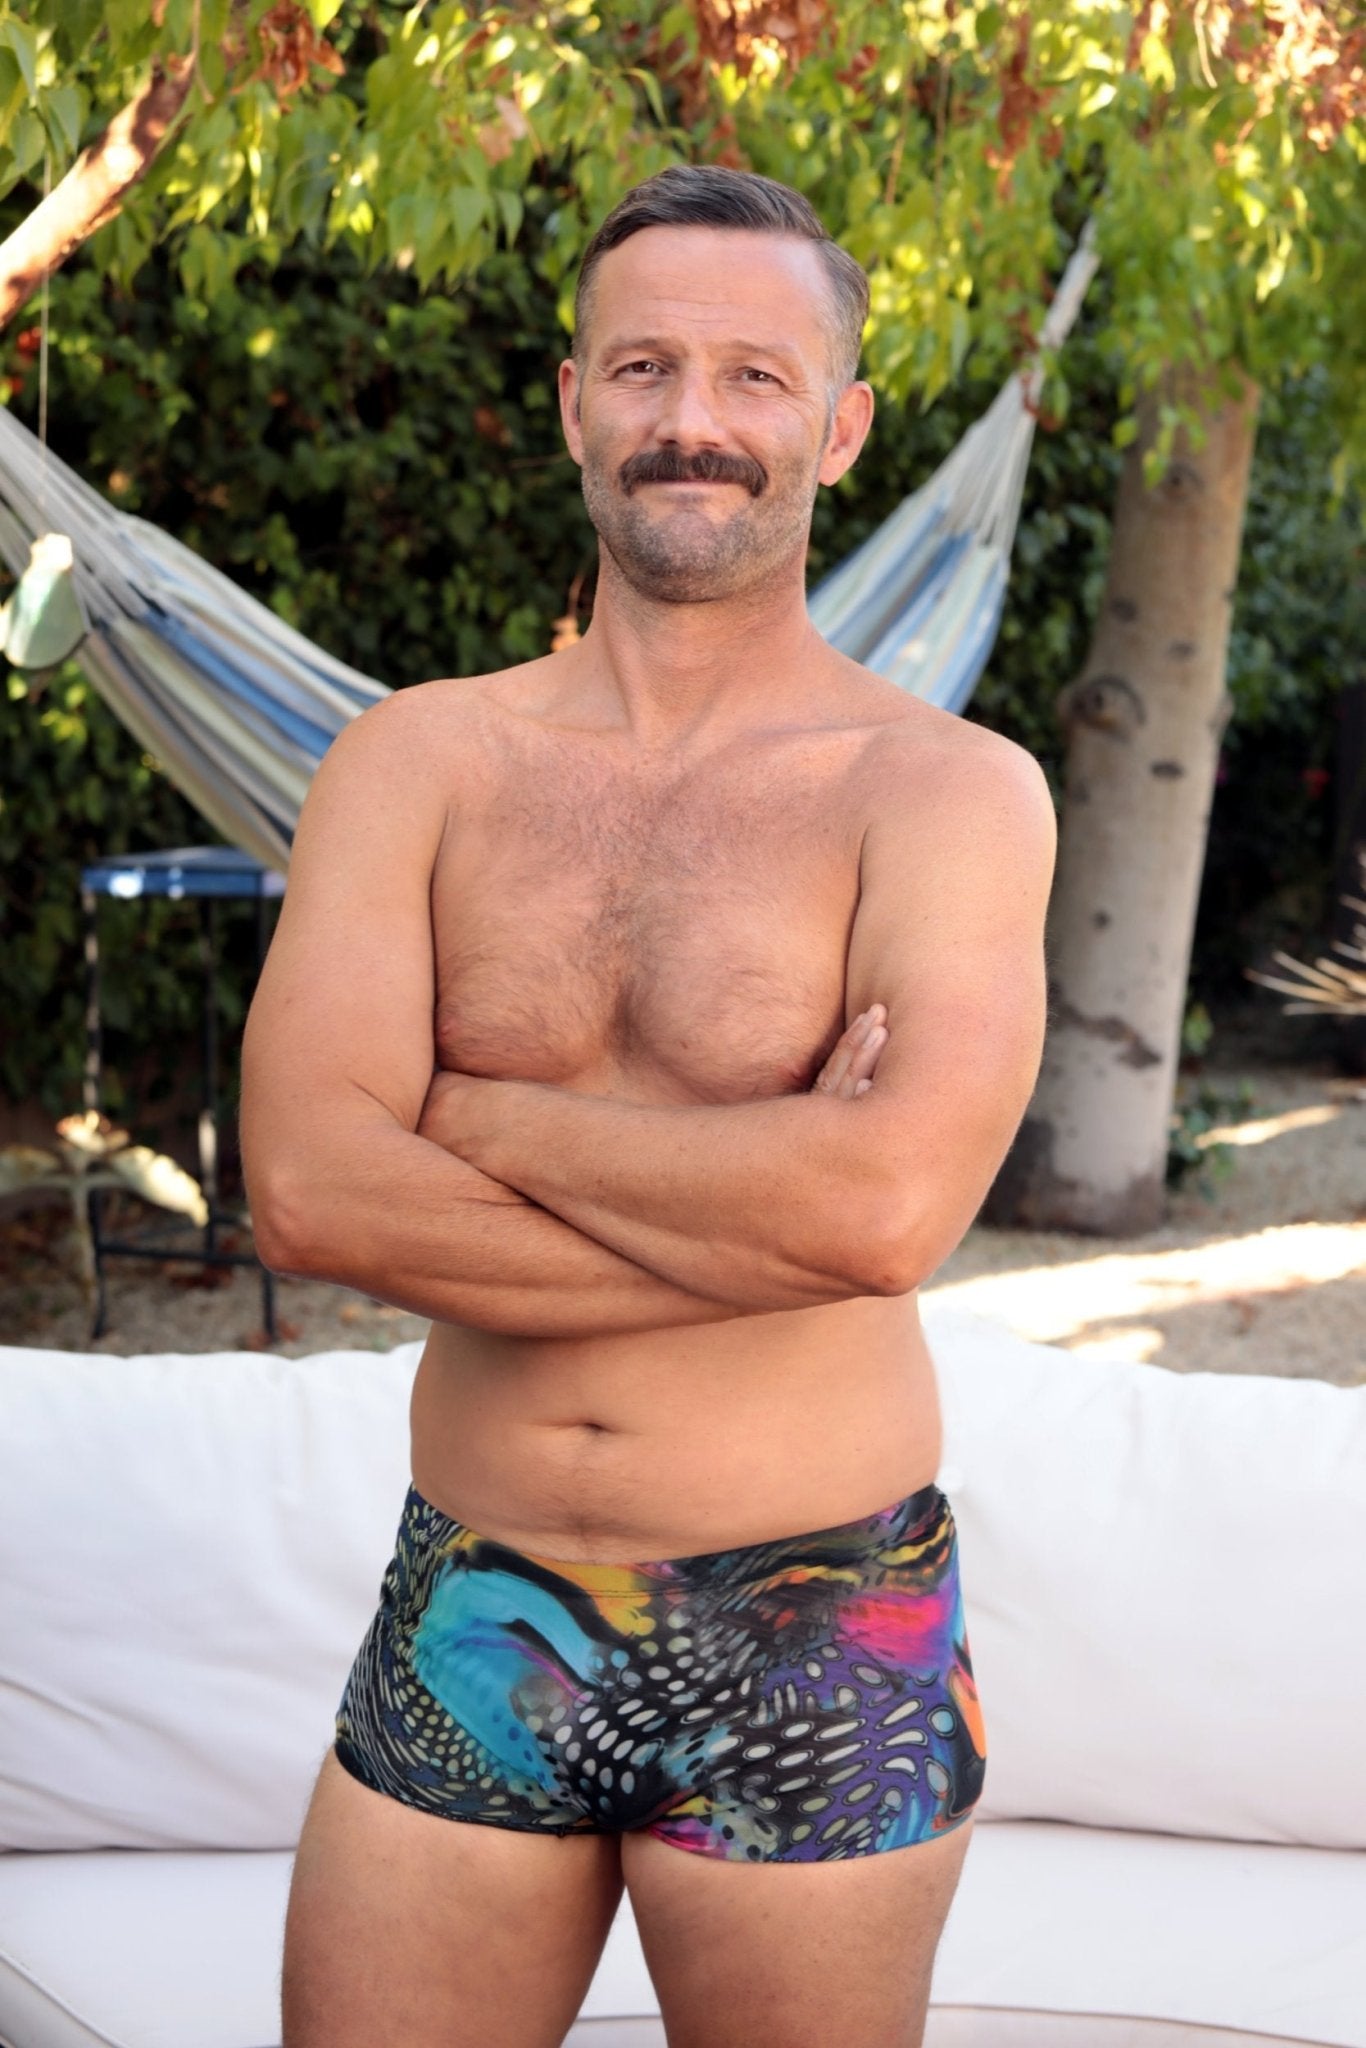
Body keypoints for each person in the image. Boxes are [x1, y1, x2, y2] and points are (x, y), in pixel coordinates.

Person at [241, 163, 1055, 2048]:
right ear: (572, 403)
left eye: (755, 377)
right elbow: (309, 1194)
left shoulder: (943, 791)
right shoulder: (416, 759)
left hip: (815, 1610)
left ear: (839, 429)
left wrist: (475, 1116)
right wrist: (764, 1193)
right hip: (474, 1596)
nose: (694, 419)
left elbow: (880, 1216)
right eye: (643, 367)